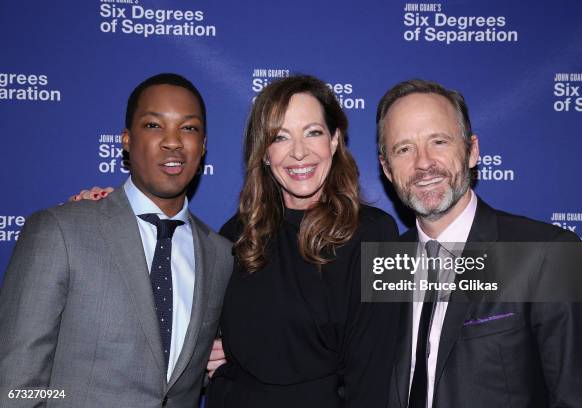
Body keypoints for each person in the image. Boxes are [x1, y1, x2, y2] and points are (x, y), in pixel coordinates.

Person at [0, 73, 233, 407]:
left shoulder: (222, 256)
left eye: (189, 128)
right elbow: (16, 385)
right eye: (154, 125)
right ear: (126, 140)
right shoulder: (60, 231)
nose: (173, 141)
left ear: (204, 146)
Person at [376, 79, 582, 408]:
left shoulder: (546, 255)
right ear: (387, 169)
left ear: (472, 151)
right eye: (403, 149)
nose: (423, 162)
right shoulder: (385, 265)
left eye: (438, 141)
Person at [205, 75, 400, 407]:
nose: (298, 152)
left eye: (313, 132)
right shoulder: (235, 235)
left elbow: (373, 377)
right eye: (280, 137)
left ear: (335, 141)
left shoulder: (375, 235)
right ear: (264, 153)